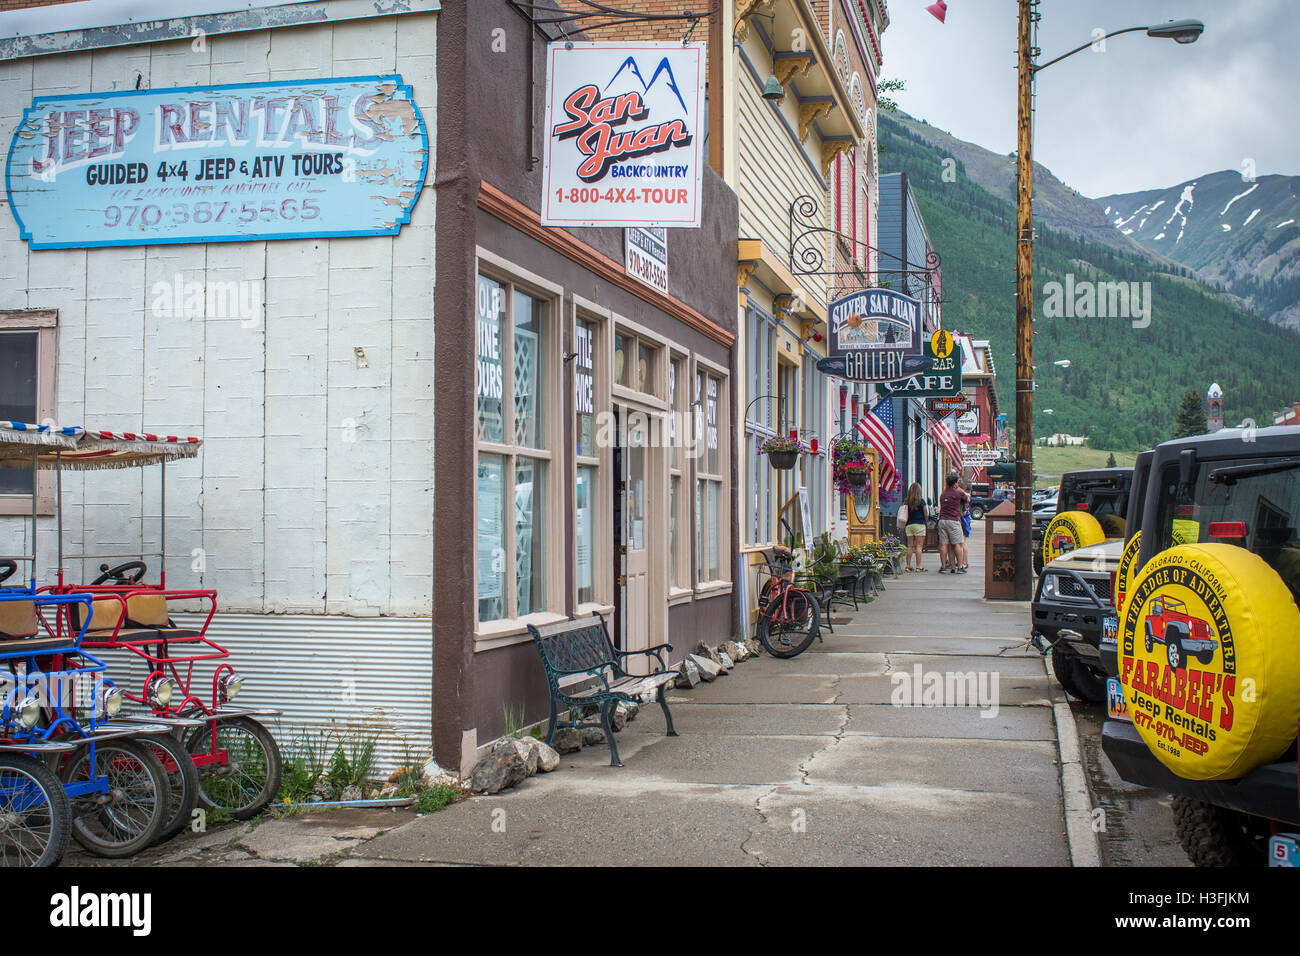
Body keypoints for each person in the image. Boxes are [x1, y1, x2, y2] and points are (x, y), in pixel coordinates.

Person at [936, 473, 970, 573]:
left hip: (942, 521)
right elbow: (967, 499)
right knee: (957, 545)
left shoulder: (943, 494)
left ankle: (944, 567)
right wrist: (960, 490)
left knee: (944, 544)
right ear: (955, 483)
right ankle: (959, 567)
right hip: (953, 520)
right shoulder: (958, 493)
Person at [901, 482, 928, 572]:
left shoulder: (906, 501)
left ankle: (908, 565)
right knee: (919, 546)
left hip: (909, 525)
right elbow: (926, 513)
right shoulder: (921, 501)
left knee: (910, 546)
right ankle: (918, 566)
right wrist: (926, 520)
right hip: (919, 524)